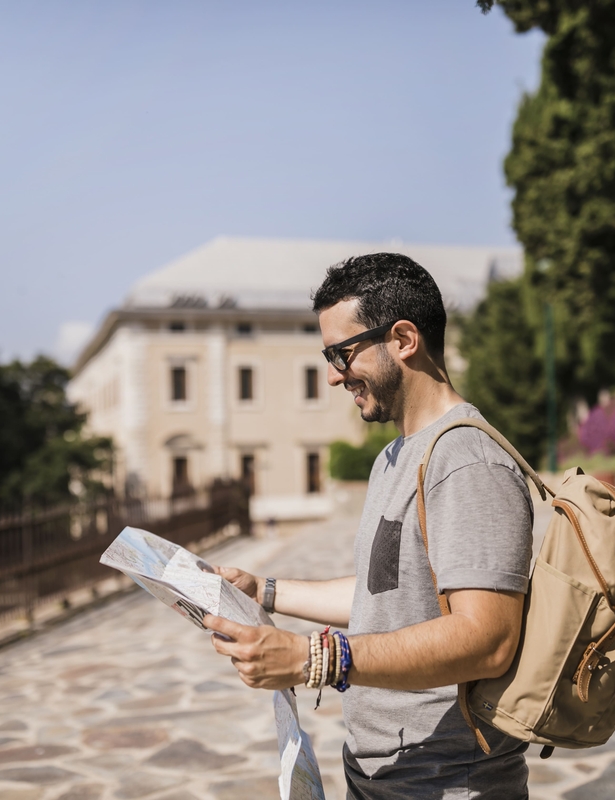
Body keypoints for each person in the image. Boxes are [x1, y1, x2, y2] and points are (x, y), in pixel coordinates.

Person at [204, 252, 534, 799]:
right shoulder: (396, 456)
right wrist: (264, 589)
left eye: (343, 353)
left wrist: (317, 658)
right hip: (382, 773)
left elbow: (488, 639)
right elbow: (390, 598)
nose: (334, 375)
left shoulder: (467, 460)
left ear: (403, 339)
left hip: (448, 781)